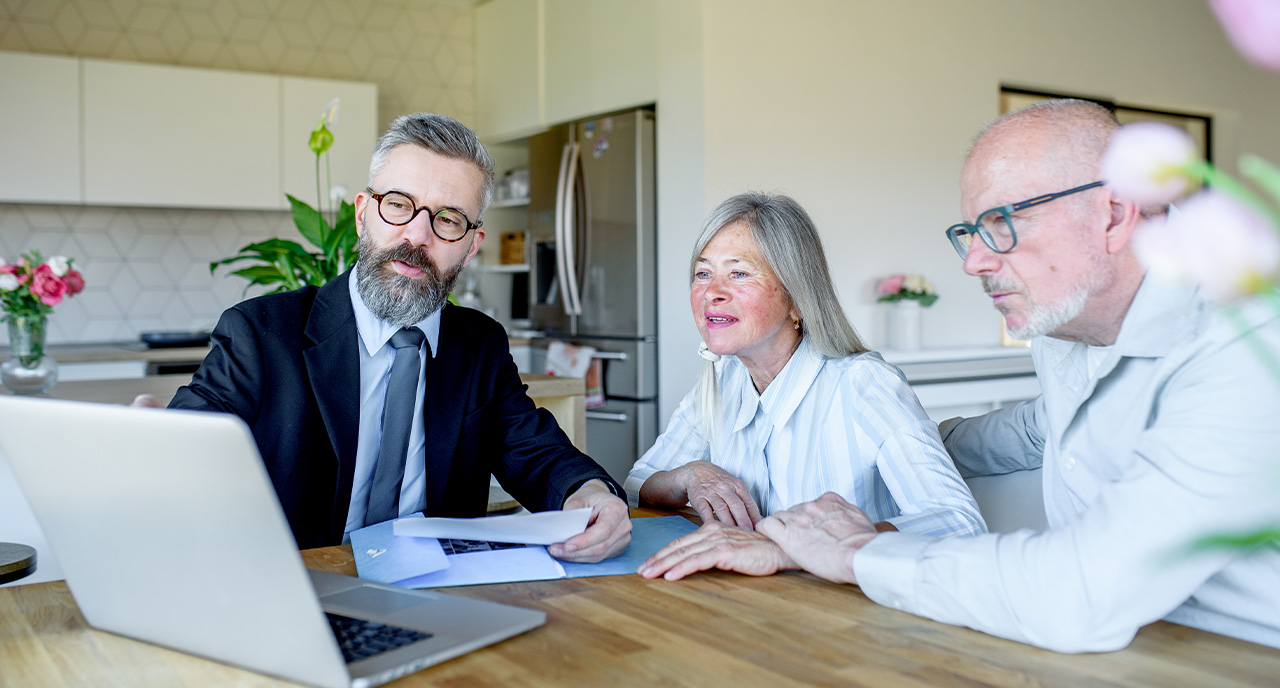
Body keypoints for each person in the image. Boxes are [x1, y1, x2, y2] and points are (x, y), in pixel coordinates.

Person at [639, 100, 1280, 652]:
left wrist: (851, 549)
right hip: (1117, 649)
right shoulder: (1066, 342)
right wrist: (919, 437)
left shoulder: (1247, 348)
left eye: (1003, 223)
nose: (974, 260)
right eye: (970, 230)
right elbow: (1032, 430)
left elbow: (1085, 589)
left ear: (1114, 214)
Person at [160, 113, 630, 561]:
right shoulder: (260, 335)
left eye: (447, 220)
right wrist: (160, 444)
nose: (417, 234)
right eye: (399, 205)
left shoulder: (479, 346)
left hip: (434, 597)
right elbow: (177, 463)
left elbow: (537, 453)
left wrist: (591, 494)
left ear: (471, 246)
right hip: (296, 592)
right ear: (364, 214)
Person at [626, 192, 985, 538]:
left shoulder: (865, 385)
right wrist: (690, 475)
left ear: (797, 300)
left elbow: (958, 523)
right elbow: (638, 484)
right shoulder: (722, 380)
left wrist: (805, 546)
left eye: (739, 274)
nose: (712, 292)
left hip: (846, 599)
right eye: (703, 274)